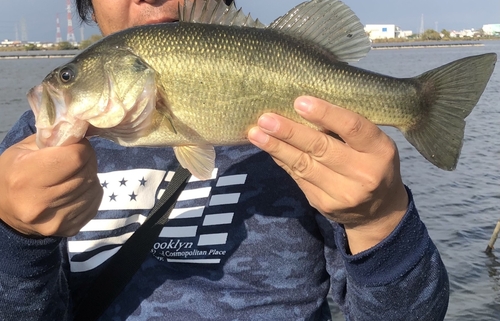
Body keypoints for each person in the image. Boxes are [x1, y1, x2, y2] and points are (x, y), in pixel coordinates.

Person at [0, 0, 449, 320]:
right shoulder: (30, 148)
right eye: (68, 75)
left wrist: (379, 221)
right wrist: (16, 236)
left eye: (69, 77)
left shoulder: (323, 145)